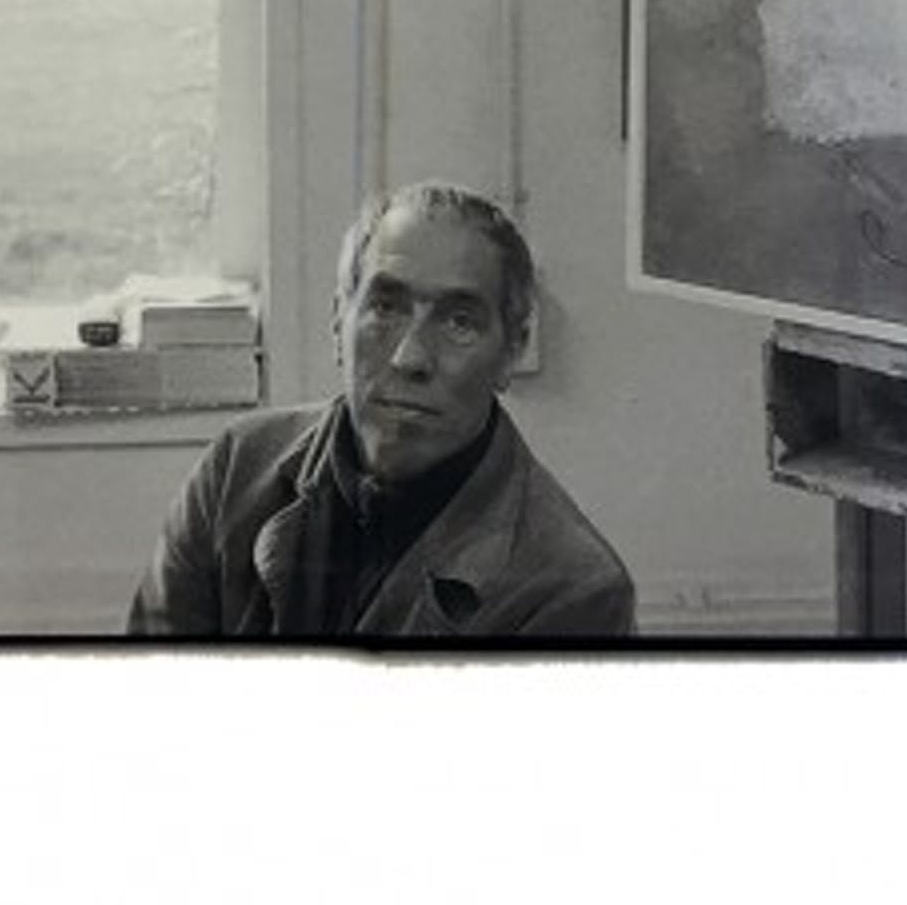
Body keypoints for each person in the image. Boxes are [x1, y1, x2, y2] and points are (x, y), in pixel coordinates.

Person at [126, 181, 636, 640]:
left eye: (459, 322)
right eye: (386, 308)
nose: (409, 357)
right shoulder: (237, 467)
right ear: (338, 322)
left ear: (512, 350)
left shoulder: (575, 588)